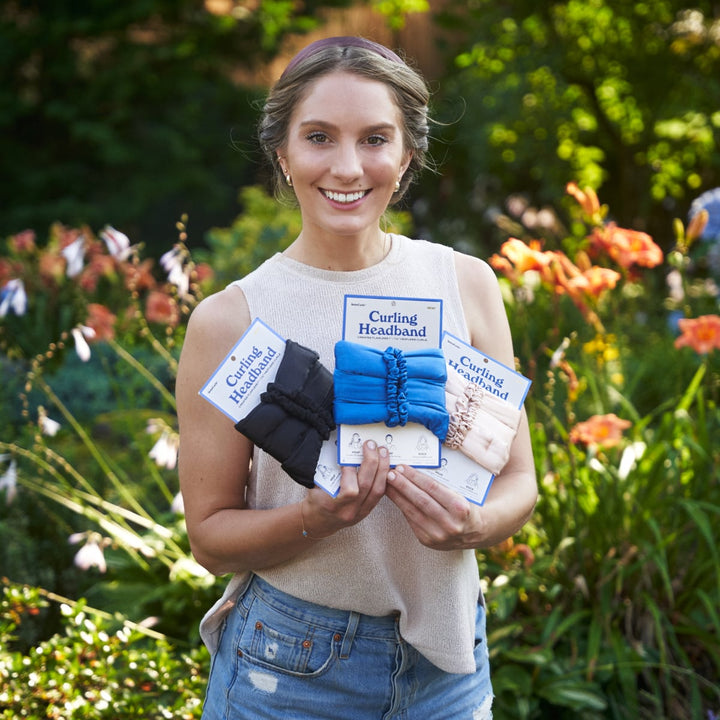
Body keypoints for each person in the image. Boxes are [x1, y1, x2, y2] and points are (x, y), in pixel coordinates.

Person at [176, 35, 537, 720]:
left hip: (450, 666)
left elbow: (520, 480)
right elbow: (209, 538)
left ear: (408, 155)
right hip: (291, 669)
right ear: (282, 153)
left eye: (375, 138)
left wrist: (477, 524)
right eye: (319, 137)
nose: (348, 167)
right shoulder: (230, 322)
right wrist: (314, 519)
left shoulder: (465, 284)